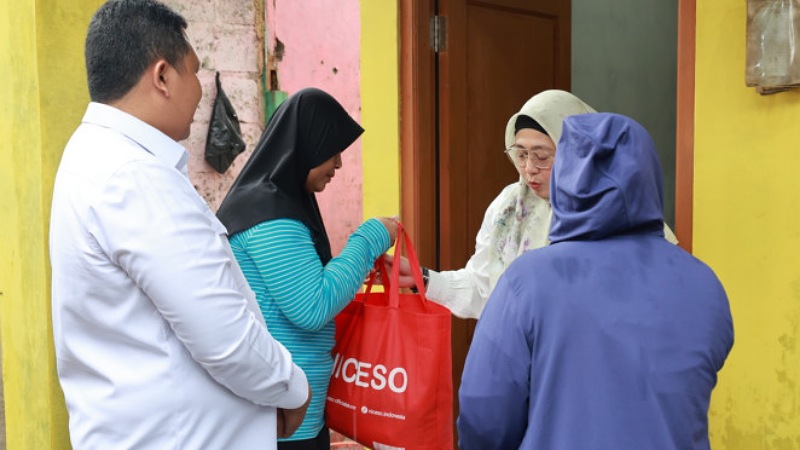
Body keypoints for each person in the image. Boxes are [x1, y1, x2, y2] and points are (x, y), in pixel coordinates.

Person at [49, 1, 310, 448]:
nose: (200, 90)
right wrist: (291, 388)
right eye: (194, 72)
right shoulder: (135, 175)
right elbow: (223, 337)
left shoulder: (93, 154)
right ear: (163, 76)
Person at [457, 113, 734, 449]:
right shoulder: (703, 283)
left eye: (544, 157)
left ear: (565, 178)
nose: (531, 167)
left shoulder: (527, 281)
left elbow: (485, 411)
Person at [385, 89, 677, 318]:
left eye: (542, 155)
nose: (529, 168)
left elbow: (657, 293)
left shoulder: (616, 206)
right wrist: (423, 278)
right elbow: (484, 288)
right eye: (521, 153)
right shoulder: (510, 206)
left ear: (577, 151)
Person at [216, 87, 399, 450]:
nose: (339, 165)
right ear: (307, 147)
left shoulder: (280, 205)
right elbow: (312, 306)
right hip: (278, 425)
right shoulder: (268, 214)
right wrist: (372, 235)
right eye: (332, 152)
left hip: (291, 416)